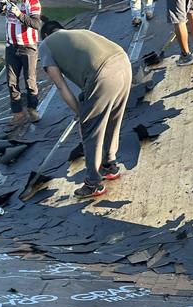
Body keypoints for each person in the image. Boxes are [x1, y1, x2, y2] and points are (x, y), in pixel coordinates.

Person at [38, 21, 133, 199]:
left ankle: (93, 183)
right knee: (114, 118)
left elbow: (61, 87)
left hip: (103, 74)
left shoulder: (46, 45)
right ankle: (109, 165)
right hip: (123, 62)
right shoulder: (78, 33)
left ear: (45, 35)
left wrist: (80, 114)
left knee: (91, 130)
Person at [0, 0, 43, 126]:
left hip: (28, 46)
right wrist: (0, 8)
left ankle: (32, 109)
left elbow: (36, 24)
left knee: (30, 80)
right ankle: (18, 113)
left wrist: (19, 14)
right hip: (11, 45)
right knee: (11, 81)